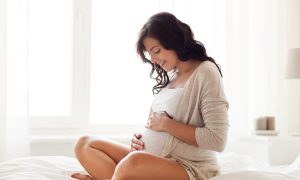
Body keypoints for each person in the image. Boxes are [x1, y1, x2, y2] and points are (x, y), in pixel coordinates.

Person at [71, 12, 229, 180]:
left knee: (131, 163)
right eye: (149, 54)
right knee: (85, 144)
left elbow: (217, 139)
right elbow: (155, 125)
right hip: (150, 158)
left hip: (187, 165)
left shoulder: (205, 72)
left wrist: (167, 125)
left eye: (157, 51)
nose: (153, 60)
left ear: (174, 41)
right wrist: (139, 140)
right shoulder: (172, 76)